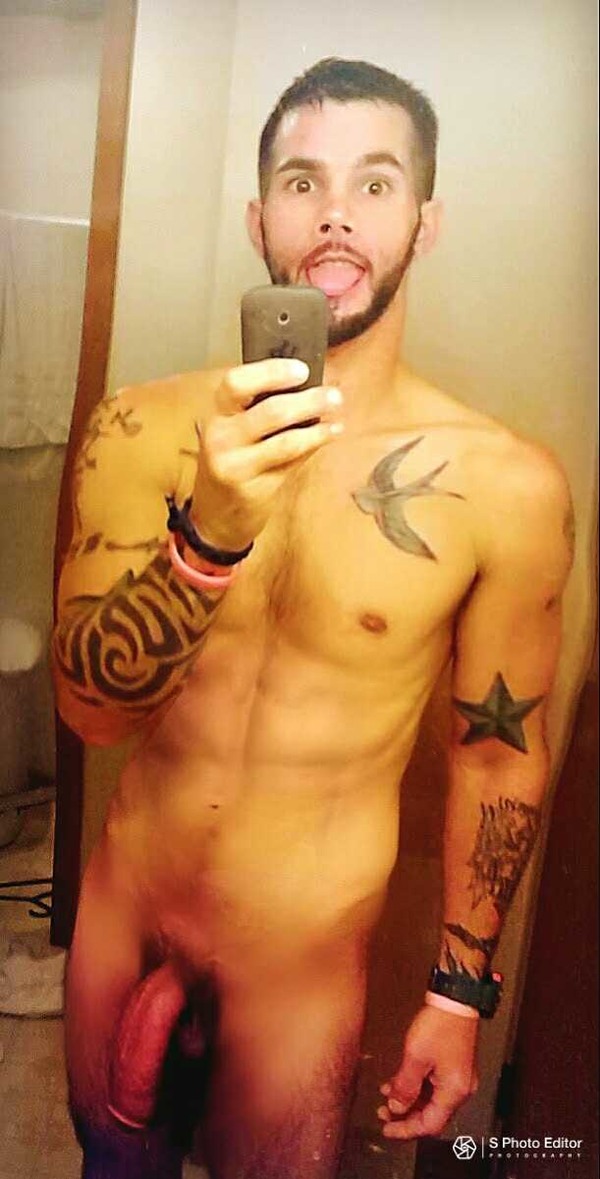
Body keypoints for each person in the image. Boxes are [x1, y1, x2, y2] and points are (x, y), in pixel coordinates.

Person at [51, 57, 573, 1179]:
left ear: (426, 222)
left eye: (375, 184)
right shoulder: (140, 428)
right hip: (126, 916)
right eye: (302, 182)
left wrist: (459, 994)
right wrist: (206, 540)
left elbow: (497, 756)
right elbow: (91, 715)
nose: (335, 213)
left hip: (298, 966)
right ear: (259, 219)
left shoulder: (506, 487)